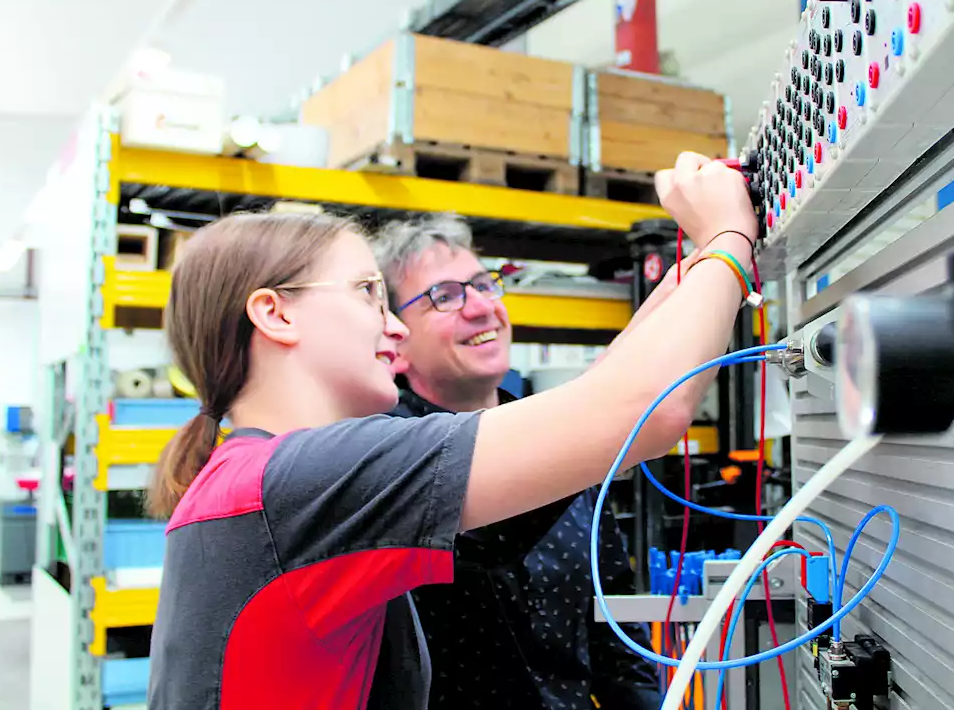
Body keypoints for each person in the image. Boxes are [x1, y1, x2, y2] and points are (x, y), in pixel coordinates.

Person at [145, 151, 760, 710]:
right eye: (367, 294)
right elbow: (641, 414)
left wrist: (699, 262)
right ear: (275, 313)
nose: (393, 328)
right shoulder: (298, 479)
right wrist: (729, 240)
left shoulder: (265, 478)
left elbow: (598, 405)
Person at [370, 214, 662, 709]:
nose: (482, 307)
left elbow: (612, 627)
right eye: (445, 296)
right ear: (396, 338)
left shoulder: (556, 445)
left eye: (484, 285)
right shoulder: (385, 458)